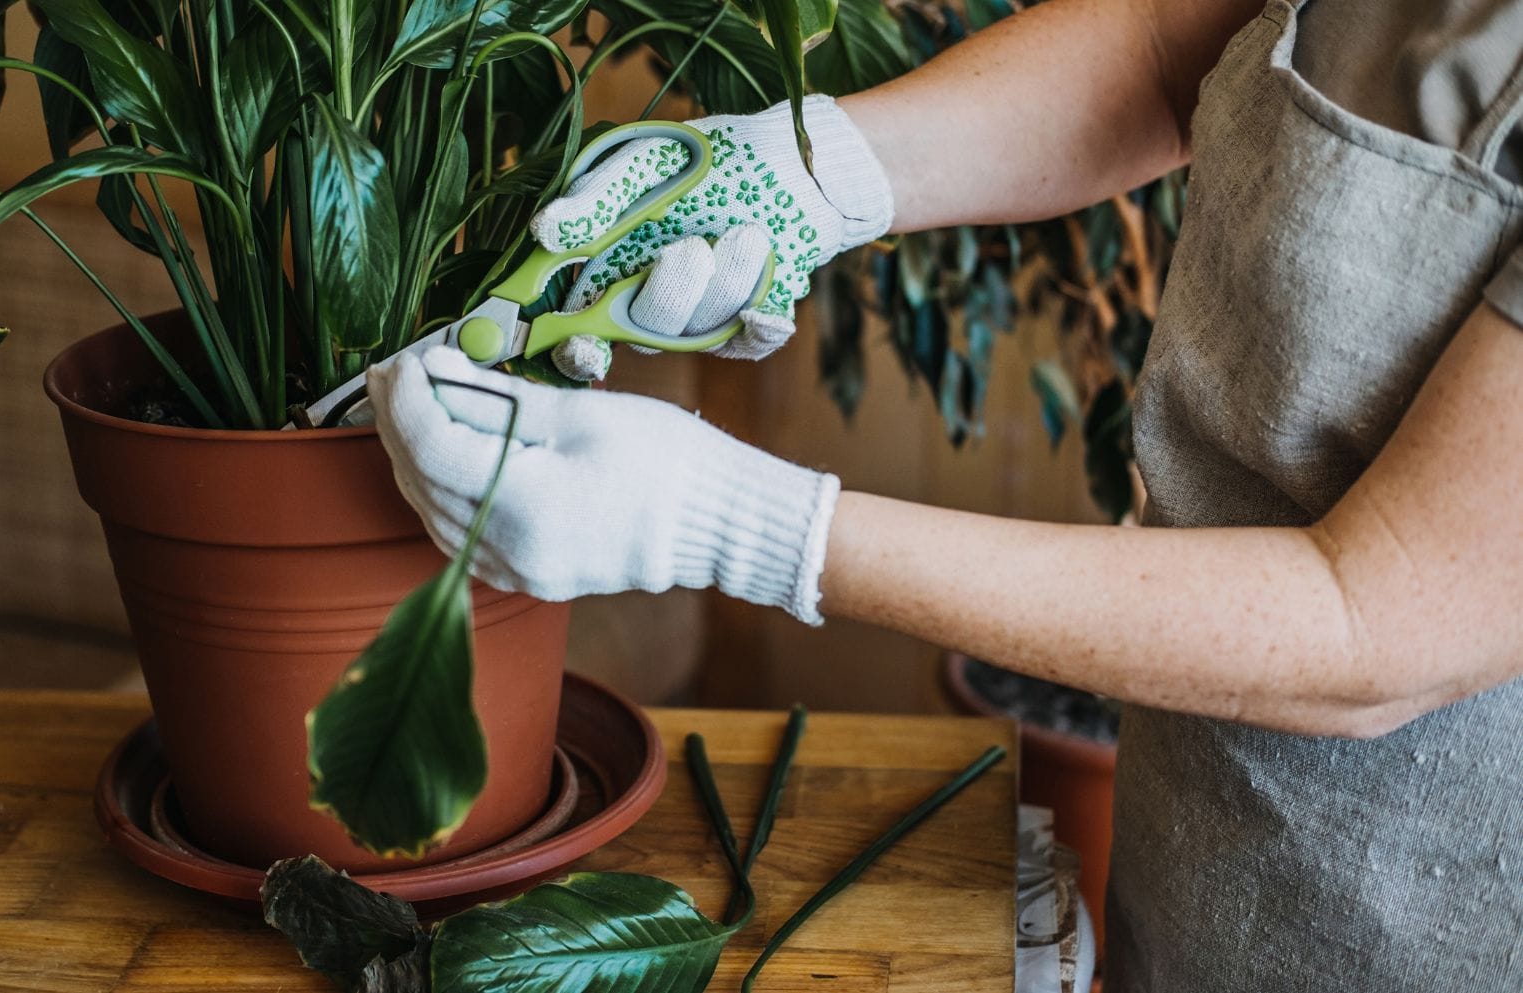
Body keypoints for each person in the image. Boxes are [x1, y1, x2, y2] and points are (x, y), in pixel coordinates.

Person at [367, 0, 1523, 988]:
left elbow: (1377, 617)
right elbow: (1173, 42)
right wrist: (813, 172)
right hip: (1196, 862)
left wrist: (737, 523)